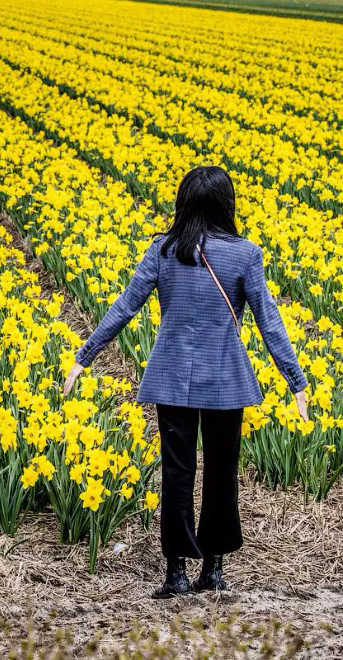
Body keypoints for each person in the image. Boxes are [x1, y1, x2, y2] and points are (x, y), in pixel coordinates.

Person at [61, 165, 308, 599]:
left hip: (172, 378)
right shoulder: (246, 253)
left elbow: (125, 307)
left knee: (176, 472)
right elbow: (270, 321)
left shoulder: (164, 249)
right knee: (221, 472)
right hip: (225, 381)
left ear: (184, 203)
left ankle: (175, 572)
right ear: (225, 204)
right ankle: (212, 568)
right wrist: (296, 381)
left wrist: (85, 356)